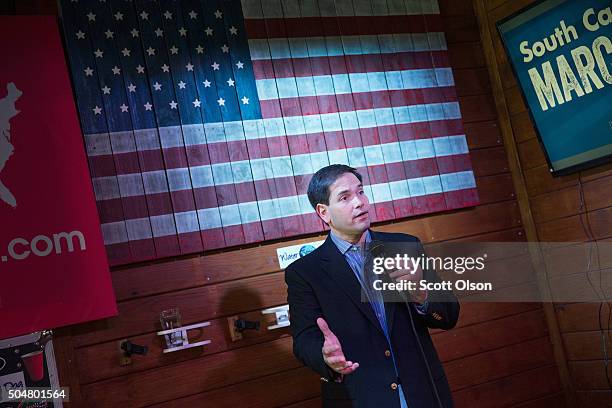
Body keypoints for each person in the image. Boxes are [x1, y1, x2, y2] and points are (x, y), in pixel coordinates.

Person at [285, 164, 459, 407]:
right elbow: (304, 341)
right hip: (360, 397)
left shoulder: (405, 246)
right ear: (324, 213)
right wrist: (325, 358)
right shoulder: (304, 273)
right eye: (345, 197)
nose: (359, 202)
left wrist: (422, 295)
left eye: (361, 192)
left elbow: (449, 316)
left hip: (424, 394)